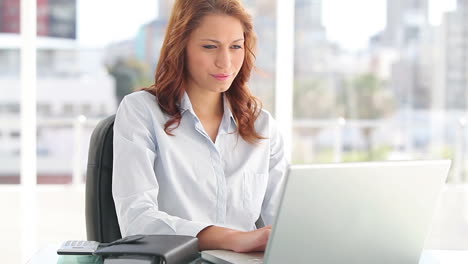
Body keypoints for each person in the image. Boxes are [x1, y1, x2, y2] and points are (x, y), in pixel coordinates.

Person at [112, 0, 287, 253]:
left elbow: (284, 224)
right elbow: (136, 220)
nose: (225, 63)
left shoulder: (262, 125)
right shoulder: (141, 111)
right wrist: (230, 238)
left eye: (236, 47)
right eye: (209, 47)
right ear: (180, 47)